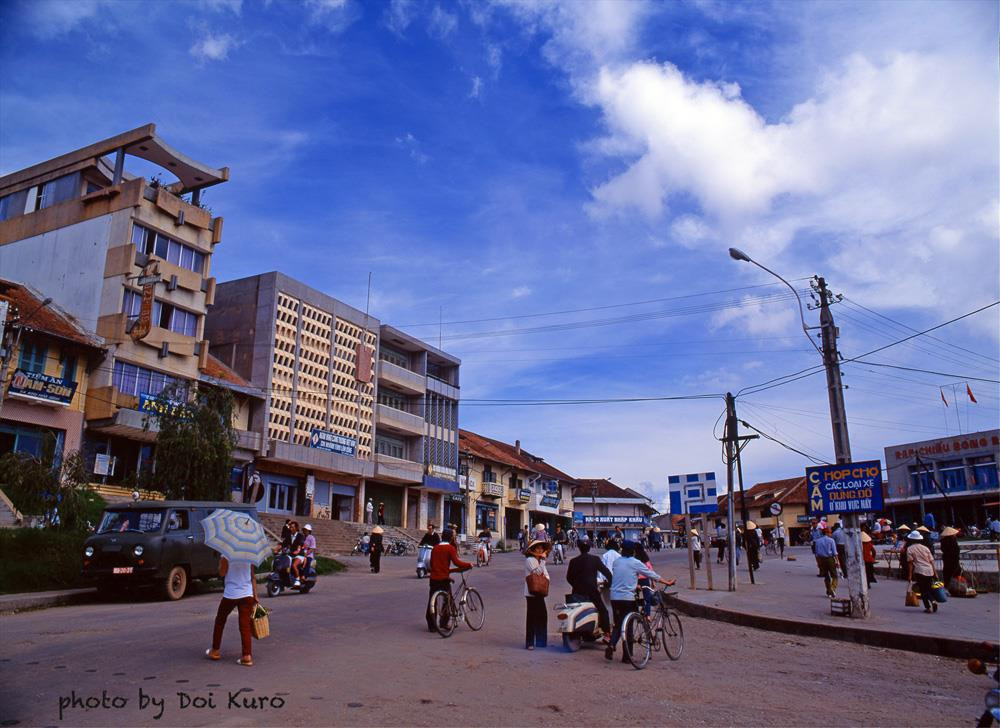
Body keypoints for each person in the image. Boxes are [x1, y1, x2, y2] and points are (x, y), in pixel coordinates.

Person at [605, 541, 674, 662]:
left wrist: (634, 585)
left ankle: (611, 644)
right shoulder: (635, 562)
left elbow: (621, 576)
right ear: (633, 551)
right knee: (629, 626)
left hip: (614, 598)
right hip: (627, 598)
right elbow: (651, 574)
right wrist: (667, 582)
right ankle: (627, 656)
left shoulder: (616, 562)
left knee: (619, 623)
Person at [206, 555, 258, 666]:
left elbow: (222, 573)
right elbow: (252, 576)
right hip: (247, 593)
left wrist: (221, 563)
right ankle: (247, 656)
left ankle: (215, 651)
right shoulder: (250, 554)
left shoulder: (226, 554)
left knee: (220, 620)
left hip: (231, 594)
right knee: (245, 626)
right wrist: (255, 594)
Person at [426, 529, 472, 632]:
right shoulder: (450, 548)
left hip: (433, 578)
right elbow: (457, 563)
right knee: (448, 600)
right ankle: (443, 623)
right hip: (443, 578)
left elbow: (432, 564)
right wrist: (469, 564)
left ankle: (431, 625)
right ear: (451, 538)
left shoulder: (435, 548)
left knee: (431, 601)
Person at [566, 539, 613, 638]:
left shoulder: (573, 561)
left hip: (577, 592)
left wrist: (576, 585)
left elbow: (569, 577)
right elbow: (607, 573)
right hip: (592, 592)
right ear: (589, 548)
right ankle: (607, 633)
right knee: (603, 611)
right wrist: (609, 584)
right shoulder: (595, 559)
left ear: (579, 548)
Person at [523, 539, 552, 650]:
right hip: (531, 592)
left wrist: (542, 562)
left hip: (539, 592)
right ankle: (529, 642)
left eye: (541, 548)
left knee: (542, 616)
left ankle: (541, 641)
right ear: (533, 549)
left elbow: (547, 576)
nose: (540, 550)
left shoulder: (539, 561)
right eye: (538, 548)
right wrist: (543, 560)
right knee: (531, 617)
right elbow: (538, 572)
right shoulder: (530, 560)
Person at [906, 531, 939, 613]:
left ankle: (928, 606)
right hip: (929, 570)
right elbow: (931, 561)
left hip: (919, 570)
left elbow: (910, 564)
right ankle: (933, 600)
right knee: (929, 588)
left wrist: (910, 575)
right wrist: (935, 572)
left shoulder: (910, 549)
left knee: (923, 590)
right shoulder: (925, 548)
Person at [814, 527, 840, 598]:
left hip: (821, 559)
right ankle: (832, 589)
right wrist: (837, 561)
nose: (831, 534)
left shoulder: (818, 541)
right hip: (830, 559)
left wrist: (818, 562)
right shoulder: (831, 540)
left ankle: (828, 591)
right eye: (830, 532)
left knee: (826, 576)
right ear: (827, 532)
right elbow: (835, 552)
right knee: (834, 575)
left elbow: (816, 554)